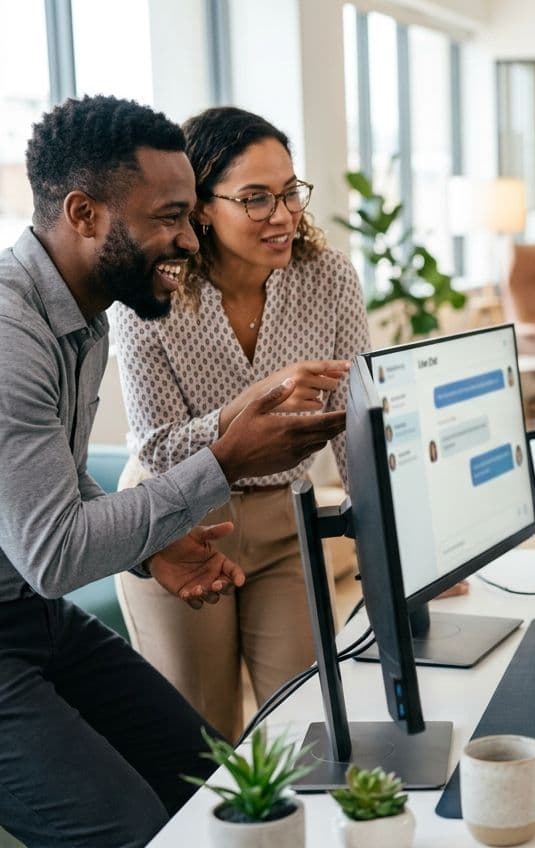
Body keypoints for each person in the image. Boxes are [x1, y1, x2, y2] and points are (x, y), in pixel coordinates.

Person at [0, 95, 344, 848]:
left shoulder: (82, 311)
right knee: (133, 829)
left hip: (30, 613)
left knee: (213, 785)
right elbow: (54, 554)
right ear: (84, 213)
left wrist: (152, 545)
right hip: (20, 610)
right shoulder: (10, 334)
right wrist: (225, 457)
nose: (190, 240)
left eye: (191, 216)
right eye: (169, 218)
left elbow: (54, 485)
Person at [112, 107, 371, 742]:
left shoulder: (328, 278)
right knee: (204, 741)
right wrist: (246, 408)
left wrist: (383, 541)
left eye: (288, 192)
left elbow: (356, 418)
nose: (282, 215)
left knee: (311, 725)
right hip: (176, 525)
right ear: (201, 208)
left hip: (286, 522)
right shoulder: (150, 296)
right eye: (255, 199)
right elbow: (158, 447)